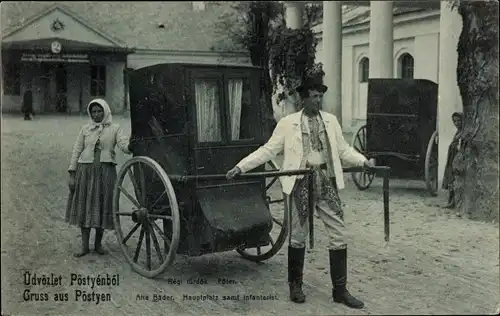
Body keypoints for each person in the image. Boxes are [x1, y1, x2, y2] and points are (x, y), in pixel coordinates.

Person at [226, 76, 375, 309]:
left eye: (320, 96)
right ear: (303, 99)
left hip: (325, 182)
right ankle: (295, 286)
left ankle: (340, 291)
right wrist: (241, 166)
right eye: (314, 97)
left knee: (339, 234)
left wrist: (364, 161)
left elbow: (344, 149)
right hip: (299, 184)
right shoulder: (288, 123)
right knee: (297, 235)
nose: (319, 100)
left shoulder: (330, 121)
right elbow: (268, 150)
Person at [66, 98, 133, 257]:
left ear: (105, 111)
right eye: (93, 112)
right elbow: (77, 150)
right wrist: (72, 173)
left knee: (102, 207)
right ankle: (84, 247)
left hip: (105, 174)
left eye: (99, 111)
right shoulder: (85, 129)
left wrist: (131, 144)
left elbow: (124, 145)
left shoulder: (115, 129)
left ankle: (97, 245)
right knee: (85, 208)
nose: (96, 114)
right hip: (85, 173)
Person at [442, 112, 464, 209]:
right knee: (450, 177)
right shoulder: (457, 132)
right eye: (455, 121)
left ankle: (453, 201)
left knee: (455, 178)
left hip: (457, 157)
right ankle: (450, 200)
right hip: (452, 156)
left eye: (459, 121)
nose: (457, 123)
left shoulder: (463, 133)